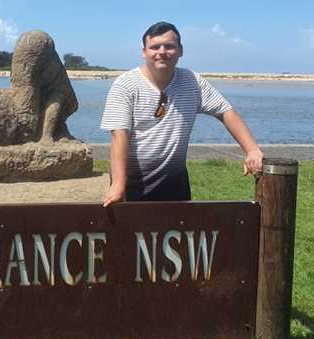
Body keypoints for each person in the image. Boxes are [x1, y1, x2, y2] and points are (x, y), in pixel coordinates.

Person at [101, 21, 264, 206]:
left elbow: (225, 112)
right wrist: (118, 184)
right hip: (132, 184)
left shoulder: (192, 82)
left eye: (169, 46)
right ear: (144, 52)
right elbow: (119, 135)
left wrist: (252, 150)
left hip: (175, 182)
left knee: (178, 234)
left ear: (180, 50)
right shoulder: (125, 85)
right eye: (154, 47)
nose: (162, 52)